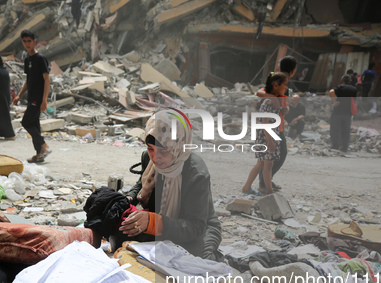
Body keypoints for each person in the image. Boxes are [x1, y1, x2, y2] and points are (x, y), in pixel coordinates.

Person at [123, 113, 222, 260]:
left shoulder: (196, 174)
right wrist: (129, 197)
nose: (156, 158)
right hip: (161, 220)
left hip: (198, 228)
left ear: (178, 146)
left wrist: (154, 222)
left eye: (163, 151)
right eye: (151, 149)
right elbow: (141, 183)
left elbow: (196, 226)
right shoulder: (147, 158)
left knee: (196, 261)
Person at [255, 55, 297, 194]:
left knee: (274, 157)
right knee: (277, 155)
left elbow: (284, 103)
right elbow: (260, 92)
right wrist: (272, 97)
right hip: (271, 125)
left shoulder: (286, 83)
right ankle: (263, 184)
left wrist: (286, 109)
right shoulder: (277, 79)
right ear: (294, 70)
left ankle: (267, 181)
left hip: (278, 124)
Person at [242, 72, 288, 195]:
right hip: (266, 136)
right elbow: (265, 122)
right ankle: (268, 191)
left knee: (262, 163)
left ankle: (247, 187)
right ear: (276, 86)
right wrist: (270, 141)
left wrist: (283, 110)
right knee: (267, 164)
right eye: (284, 85)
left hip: (266, 135)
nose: (286, 88)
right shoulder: (268, 102)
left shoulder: (273, 100)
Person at [12, 30, 52, 163]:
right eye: (24, 41)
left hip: (38, 98)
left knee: (26, 122)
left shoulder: (40, 59)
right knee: (34, 125)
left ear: (34, 42)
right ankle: (39, 153)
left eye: (29, 41)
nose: (27, 44)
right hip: (31, 97)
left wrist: (44, 100)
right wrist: (19, 95)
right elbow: (28, 81)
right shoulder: (28, 60)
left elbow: (47, 80)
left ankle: (44, 146)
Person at [329, 74, 357, 152]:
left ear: (342, 80)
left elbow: (331, 91)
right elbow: (354, 101)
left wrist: (334, 101)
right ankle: (344, 147)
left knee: (335, 129)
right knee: (346, 130)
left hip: (338, 112)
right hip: (348, 113)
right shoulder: (354, 89)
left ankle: (335, 146)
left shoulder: (339, 87)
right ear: (350, 81)